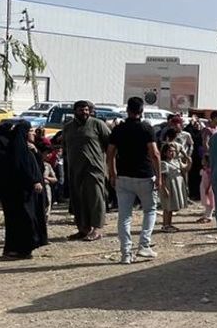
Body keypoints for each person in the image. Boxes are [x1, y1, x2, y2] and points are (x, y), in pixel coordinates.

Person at [107, 97, 161, 264]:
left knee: (124, 216)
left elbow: (110, 154)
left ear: (127, 110)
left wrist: (112, 173)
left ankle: (125, 253)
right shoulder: (146, 128)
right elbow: (155, 154)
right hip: (144, 175)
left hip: (123, 176)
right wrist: (159, 176)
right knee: (150, 210)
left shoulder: (118, 129)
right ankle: (144, 245)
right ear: (142, 110)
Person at [0, 122, 49, 259]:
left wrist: (35, 152)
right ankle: (20, 249)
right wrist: (33, 181)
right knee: (23, 220)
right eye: (30, 131)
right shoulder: (16, 150)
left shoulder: (27, 148)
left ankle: (19, 249)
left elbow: (38, 167)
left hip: (27, 193)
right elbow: (21, 168)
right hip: (20, 193)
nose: (33, 134)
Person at [60, 100, 112, 242]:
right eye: (81, 110)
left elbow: (110, 145)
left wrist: (110, 166)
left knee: (95, 198)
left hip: (94, 169)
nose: (85, 112)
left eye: (87, 110)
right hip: (75, 169)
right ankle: (83, 229)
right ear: (74, 111)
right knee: (78, 200)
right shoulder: (68, 127)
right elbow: (63, 146)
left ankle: (97, 229)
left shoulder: (97, 124)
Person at [158, 141, 189, 233]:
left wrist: (188, 160)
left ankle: (169, 224)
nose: (172, 153)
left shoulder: (176, 161)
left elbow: (185, 168)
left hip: (176, 185)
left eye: (173, 151)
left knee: (171, 206)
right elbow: (162, 177)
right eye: (170, 151)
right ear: (165, 152)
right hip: (169, 185)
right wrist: (164, 188)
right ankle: (165, 225)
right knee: (167, 207)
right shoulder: (164, 163)